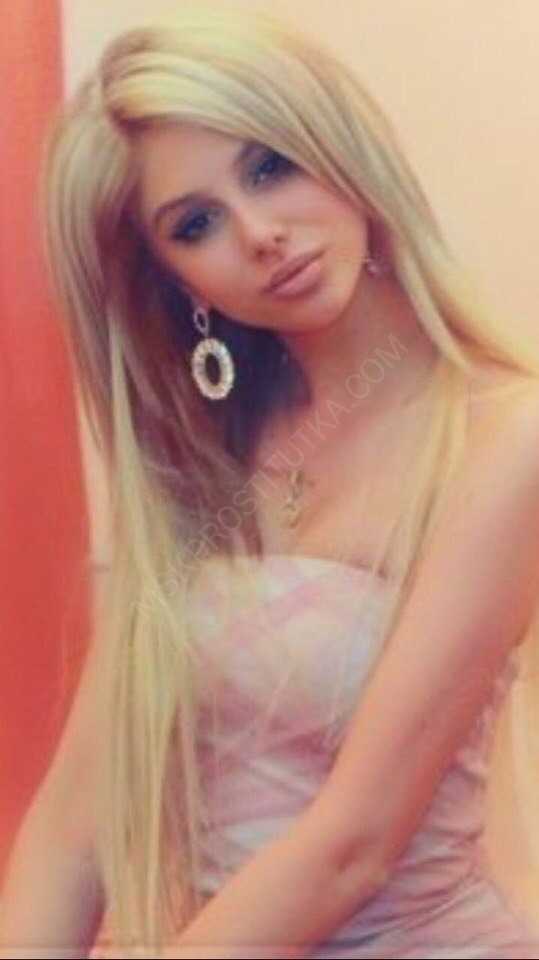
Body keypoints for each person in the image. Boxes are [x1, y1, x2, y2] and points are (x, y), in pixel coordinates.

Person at [2, 3, 539, 958]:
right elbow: (74, 826)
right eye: (196, 223)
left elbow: (351, 847)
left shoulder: (505, 435)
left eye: (269, 167)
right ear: (174, 279)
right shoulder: (201, 463)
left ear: (336, 146)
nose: (259, 233)